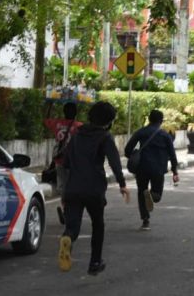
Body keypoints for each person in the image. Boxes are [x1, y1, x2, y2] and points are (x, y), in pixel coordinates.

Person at [58, 101, 130, 276]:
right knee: (98, 224)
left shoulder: (76, 135)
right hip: (94, 189)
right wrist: (122, 184)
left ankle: (68, 237)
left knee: (72, 225)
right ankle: (95, 263)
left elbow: (65, 163)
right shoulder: (104, 137)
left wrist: (65, 190)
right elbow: (114, 162)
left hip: (73, 187)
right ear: (108, 121)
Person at [124, 110, 179, 230]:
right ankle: (152, 195)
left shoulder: (141, 132)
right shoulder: (165, 135)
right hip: (158, 169)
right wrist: (175, 171)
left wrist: (134, 155)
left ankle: (145, 220)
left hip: (142, 168)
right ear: (161, 121)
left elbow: (127, 150)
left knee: (141, 192)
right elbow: (172, 154)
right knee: (157, 195)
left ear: (149, 119)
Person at [43, 102, 83, 223]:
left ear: (64, 112)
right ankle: (72, 211)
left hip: (60, 161)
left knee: (64, 187)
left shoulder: (57, 124)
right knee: (75, 186)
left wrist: (50, 105)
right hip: (74, 162)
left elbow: (46, 119)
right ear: (75, 114)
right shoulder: (79, 126)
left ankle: (66, 210)